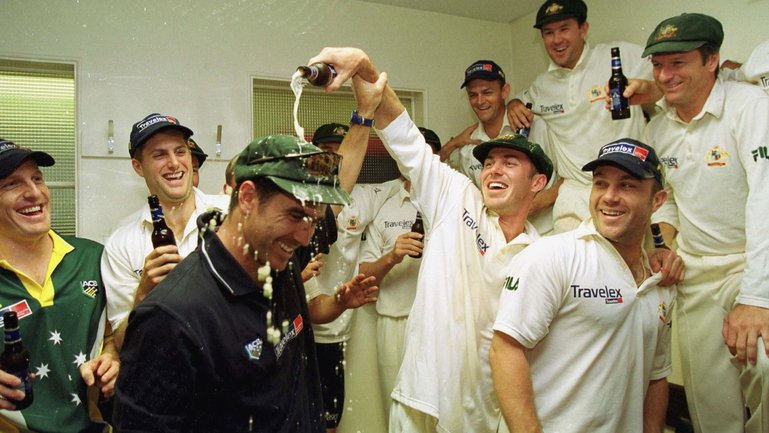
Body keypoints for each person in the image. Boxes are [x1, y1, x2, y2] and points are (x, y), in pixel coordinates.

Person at [309, 47, 554, 433]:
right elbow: (406, 139)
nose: (494, 170)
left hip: (484, 415)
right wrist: (365, 67)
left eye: (510, 163)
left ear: (537, 183)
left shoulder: (543, 255)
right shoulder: (458, 198)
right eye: (489, 162)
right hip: (421, 403)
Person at [112, 135, 377, 433]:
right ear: (248, 197)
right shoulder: (173, 318)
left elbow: (339, 189)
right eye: (295, 215)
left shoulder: (278, 254)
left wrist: (365, 115)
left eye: (313, 220)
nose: (305, 237)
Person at [630, 13, 769, 433]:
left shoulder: (752, 108)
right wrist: (663, 245)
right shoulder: (660, 132)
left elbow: (765, 198)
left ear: (712, 61)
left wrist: (757, 298)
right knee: (709, 401)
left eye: (678, 63)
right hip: (696, 274)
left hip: (751, 266)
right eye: (658, 65)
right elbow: (666, 200)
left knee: (764, 367)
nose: (665, 75)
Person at [490, 138, 675, 433]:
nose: (609, 197)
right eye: (601, 184)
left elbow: (656, 375)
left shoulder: (660, 281)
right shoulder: (552, 256)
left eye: (627, 185)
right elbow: (505, 350)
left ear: (657, 200)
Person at [0, 139, 119, 433]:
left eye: (37, 178)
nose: (34, 192)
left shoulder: (94, 258)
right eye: (13, 184)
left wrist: (113, 358)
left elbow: (114, 335)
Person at [506, 0, 651, 233]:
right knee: (566, 267)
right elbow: (519, 103)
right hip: (573, 196)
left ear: (583, 28)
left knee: (624, 268)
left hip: (624, 188)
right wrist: (512, 104)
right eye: (548, 33)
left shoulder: (619, 56)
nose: (556, 40)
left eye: (564, 29)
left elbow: (669, 80)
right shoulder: (542, 85)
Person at [100, 113, 230, 349]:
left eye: (180, 152)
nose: (173, 163)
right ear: (138, 167)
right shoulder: (121, 243)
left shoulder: (231, 213)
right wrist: (143, 295)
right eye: (159, 154)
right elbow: (121, 341)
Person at [358, 126, 441, 419]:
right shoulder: (385, 207)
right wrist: (392, 256)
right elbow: (364, 272)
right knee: (397, 408)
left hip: (440, 323)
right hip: (394, 323)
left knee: (441, 410)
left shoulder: (452, 204)